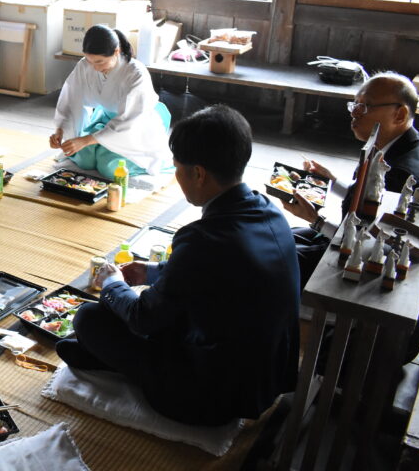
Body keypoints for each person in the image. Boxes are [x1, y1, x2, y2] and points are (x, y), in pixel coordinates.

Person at [56, 105, 300, 426]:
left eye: (177, 168)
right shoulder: (268, 210)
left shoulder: (202, 239)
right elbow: (215, 276)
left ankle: (104, 357)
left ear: (198, 173)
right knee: (160, 312)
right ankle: (99, 355)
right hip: (263, 382)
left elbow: (144, 318)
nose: (176, 176)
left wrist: (113, 283)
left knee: (90, 318)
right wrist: (152, 272)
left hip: (208, 397)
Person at [283, 73, 419, 360]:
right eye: (354, 105)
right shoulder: (408, 143)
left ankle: (286, 334)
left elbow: (365, 242)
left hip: (370, 275)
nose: (354, 114)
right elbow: (365, 203)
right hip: (360, 245)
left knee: (278, 258)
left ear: (399, 113)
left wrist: (315, 220)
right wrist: (331, 181)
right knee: (285, 236)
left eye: (364, 107)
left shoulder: (401, 173)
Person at [49, 25, 171, 178]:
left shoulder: (136, 73)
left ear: (116, 52)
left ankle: (109, 152)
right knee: (83, 158)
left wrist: (86, 140)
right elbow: (70, 101)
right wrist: (60, 130)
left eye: (100, 62)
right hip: (105, 120)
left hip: (135, 126)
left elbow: (130, 120)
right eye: (90, 61)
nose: (94, 68)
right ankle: (99, 146)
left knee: (109, 167)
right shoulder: (85, 65)